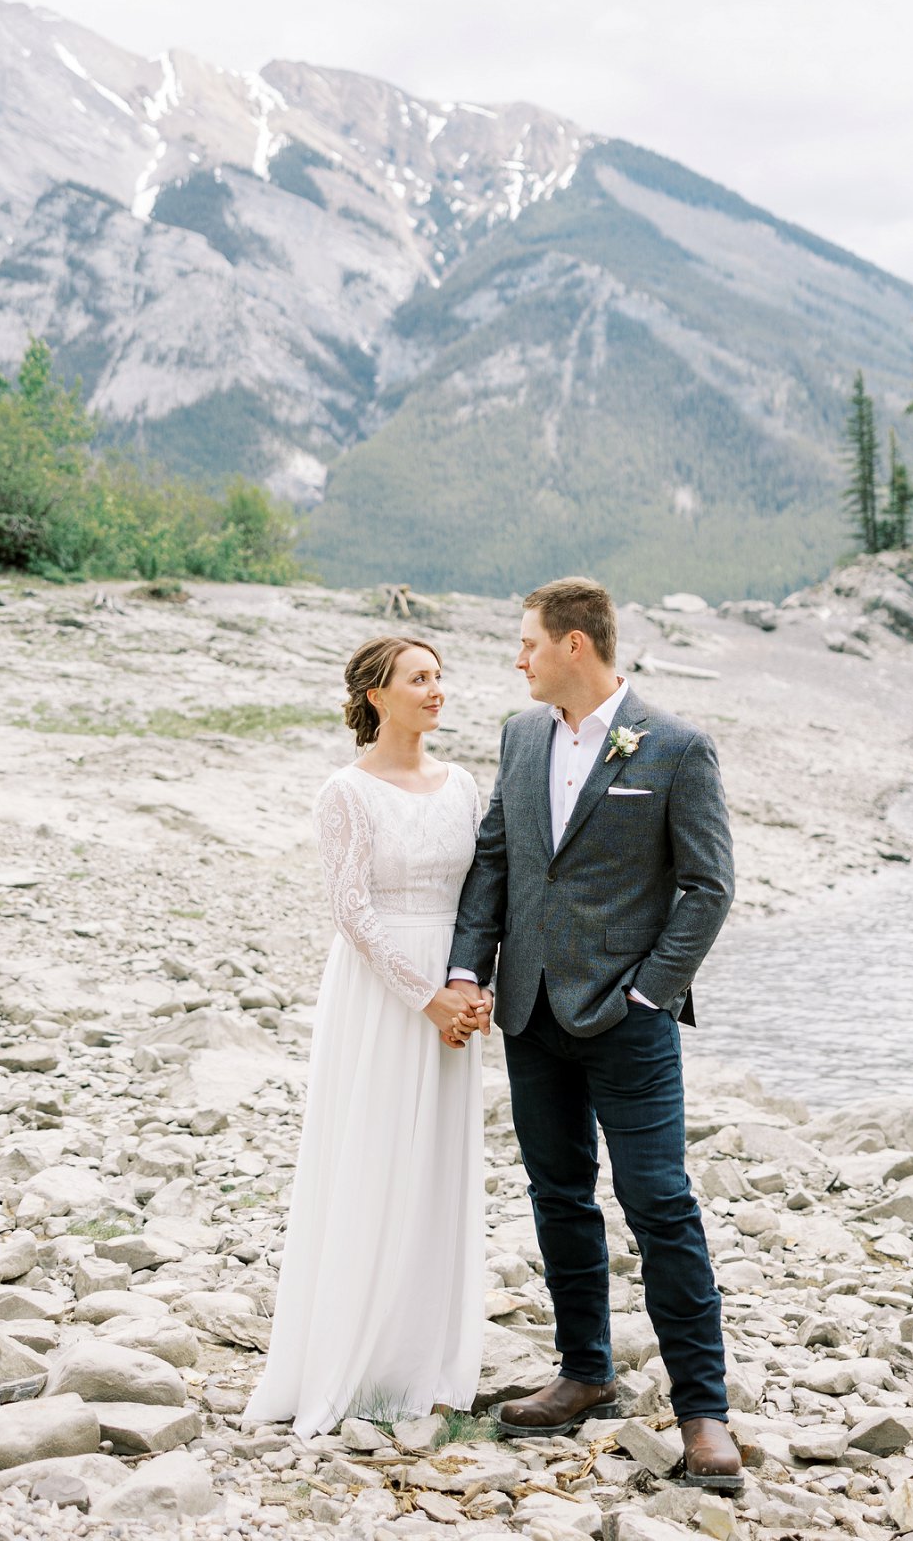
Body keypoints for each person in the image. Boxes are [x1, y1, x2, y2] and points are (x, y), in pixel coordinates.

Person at [447, 576, 742, 1491]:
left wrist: (653, 995)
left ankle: (705, 1415)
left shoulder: (678, 747)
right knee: (559, 1195)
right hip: (531, 1010)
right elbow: (496, 854)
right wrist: (470, 968)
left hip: (629, 1021)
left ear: (576, 645)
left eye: (528, 640)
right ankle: (584, 1373)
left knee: (659, 1203)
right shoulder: (519, 734)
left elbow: (708, 886)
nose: (518, 656)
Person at [242, 634, 491, 1438]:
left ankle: (425, 1360)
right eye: (420, 678)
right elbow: (350, 911)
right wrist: (423, 997)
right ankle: (350, 1356)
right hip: (382, 994)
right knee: (374, 1155)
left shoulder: (465, 786)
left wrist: (472, 985)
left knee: (437, 1166)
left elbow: (489, 893)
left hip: (455, 987)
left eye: (439, 676)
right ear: (377, 695)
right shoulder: (344, 793)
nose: (437, 689)